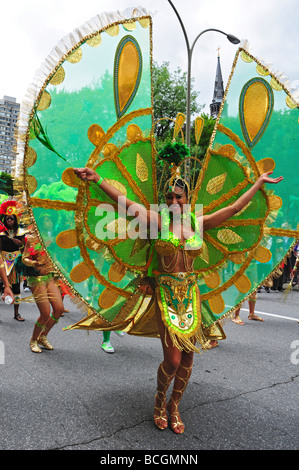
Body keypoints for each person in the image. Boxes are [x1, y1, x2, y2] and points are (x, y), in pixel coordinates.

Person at [74, 164, 282, 434]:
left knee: (187, 359)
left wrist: (258, 183)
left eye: (179, 197)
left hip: (191, 297)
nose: (173, 201)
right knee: (172, 361)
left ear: (188, 200)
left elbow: (232, 210)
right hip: (166, 295)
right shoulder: (156, 221)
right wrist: (97, 178)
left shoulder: (198, 223)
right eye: (169, 197)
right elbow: (124, 202)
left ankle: (175, 405)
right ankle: (159, 401)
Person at [21, 231, 64, 353]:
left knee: (59, 309)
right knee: (45, 313)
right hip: (36, 279)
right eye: (46, 220)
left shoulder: (52, 237)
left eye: (50, 220)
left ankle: (42, 336)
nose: (48, 223)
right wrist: (33, 263)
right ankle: (33, 340)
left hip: (49, 277)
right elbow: (24, 258)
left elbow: (55, 257)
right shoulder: (32, 238)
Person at [0, 200, 27, 321]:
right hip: (3, 263)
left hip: (16, 263)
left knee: (16, 288)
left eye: (11, 218)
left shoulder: (21, 232)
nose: (9, 220)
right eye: (7, 218)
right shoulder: (1, 233)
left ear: (15, 220)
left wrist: (20, 244)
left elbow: (25, 249)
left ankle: (17, 313)